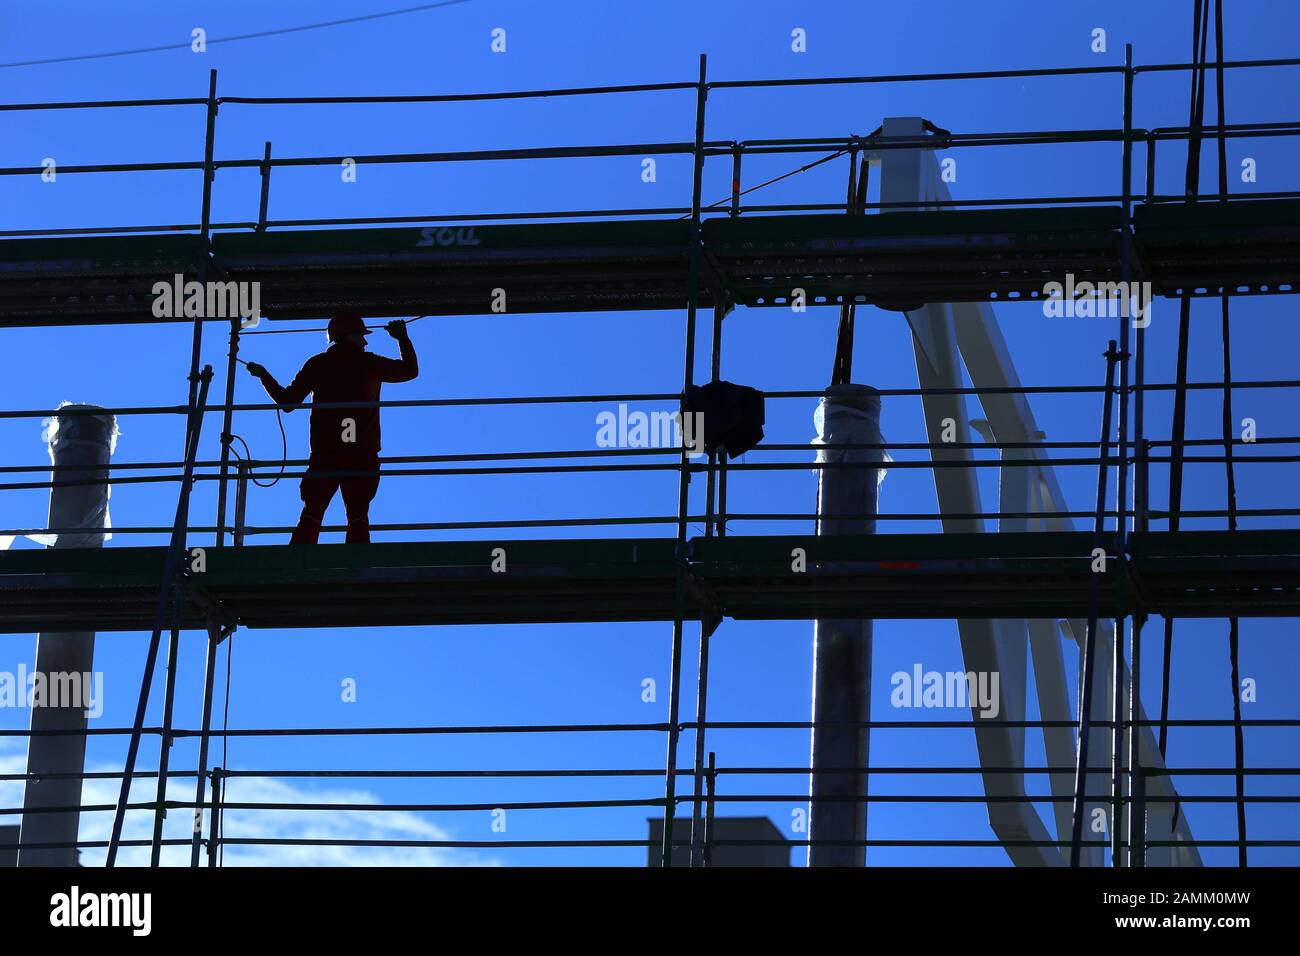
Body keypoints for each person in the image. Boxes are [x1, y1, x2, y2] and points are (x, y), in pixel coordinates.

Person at [245, 313, 418, 544]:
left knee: (312, 512)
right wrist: (402, 339)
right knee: (358, 515)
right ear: (348, 336)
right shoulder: (370, 363)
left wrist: (264, 376)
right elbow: (409, 370)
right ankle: (357, 564)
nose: (365, 342)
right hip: (360, 452)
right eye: (361, 336)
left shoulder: (318, 364)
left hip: (326, 453)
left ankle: (298, 562)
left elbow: (287, 402)